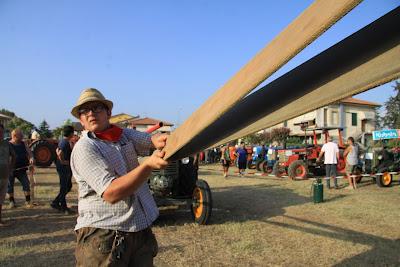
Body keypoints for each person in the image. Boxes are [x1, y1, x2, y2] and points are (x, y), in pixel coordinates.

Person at [70, 88, 168, 266]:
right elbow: (111, 193)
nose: (91, 113)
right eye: (85, 111)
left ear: (108, 112)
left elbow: (153, 141)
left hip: (139, 229)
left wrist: (164, 139)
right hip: (104, 235)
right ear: (81, 119)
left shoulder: (122, 135)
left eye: (97, 107)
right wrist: (147, 165)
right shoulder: (85, 148)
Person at [51, 125, 74, 214]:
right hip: (63, 168)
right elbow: (60, 152)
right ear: (71, 133)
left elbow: (57, 150)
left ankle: (56, 202)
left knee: (68, 186)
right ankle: (63, 207)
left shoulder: (63, 141)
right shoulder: (64, 142)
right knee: (64, 187)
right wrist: (63, 161)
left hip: (64, 167)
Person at [8, 128, 34, 208]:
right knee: (10, 186)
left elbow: (29, 152)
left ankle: (27, 201)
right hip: (11, 170)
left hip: (22, 169)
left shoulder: (23, 143)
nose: (22, 136)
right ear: (15, 136)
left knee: (26, 184)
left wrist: (31, 158)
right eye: (21, 135)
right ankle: (12, 202)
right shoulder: (8, 144)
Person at [0, 124, 16, 226]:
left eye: (1, 132)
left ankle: (0, 219)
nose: (0, 134)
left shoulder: (7, 144)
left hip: (5, 176)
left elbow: (14, 156)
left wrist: (10, 168)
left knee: (0, 201)